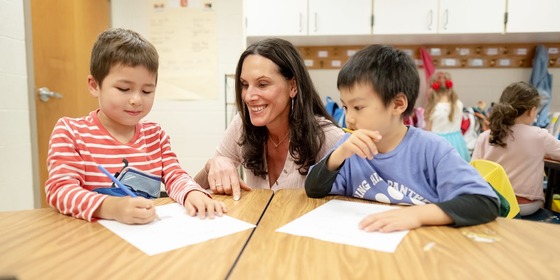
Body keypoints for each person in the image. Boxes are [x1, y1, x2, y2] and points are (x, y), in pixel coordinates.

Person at [305, 45, 499, 233]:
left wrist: (417, 215)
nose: (349, 118)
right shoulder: (348, 147)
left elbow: (484, 202)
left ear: (397, 104)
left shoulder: (432, 150)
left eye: (358, 107)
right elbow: (313, 189)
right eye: (345, 107)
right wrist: (339, 155)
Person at [45, 28, 226, 224]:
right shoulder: (71, 132)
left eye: (147, 91)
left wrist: (191, 192)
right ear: (94, 85)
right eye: (124, 89)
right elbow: (60, 190)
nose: (136, 100)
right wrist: (111, 207)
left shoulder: (155, 135)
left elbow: (175, 175)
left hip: (145, 236)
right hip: (92, 238)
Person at [194, 38, 345, 200]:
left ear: (293, 86)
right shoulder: (242, 124)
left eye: (262, 84)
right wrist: (211, 165)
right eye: (245, 85)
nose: (249, 96)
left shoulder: (326, 135)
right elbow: (192, 189)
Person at [472, 81, 560, 216]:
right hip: (524, 206)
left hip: (492, 203)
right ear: (531, 110)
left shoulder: (484, 137)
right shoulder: (539, 136)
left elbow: (474, 170)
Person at [424, 71, 471, 162]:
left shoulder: (432, 107)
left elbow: (428, 132)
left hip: (437, 143)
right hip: (457, 142)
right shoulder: (458, 104)